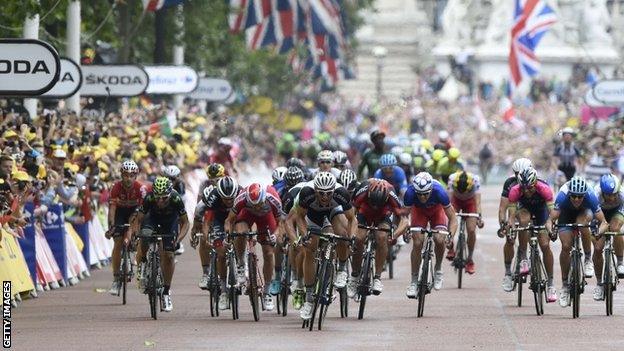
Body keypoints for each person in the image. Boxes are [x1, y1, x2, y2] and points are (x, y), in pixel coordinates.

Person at [284, 172, 356, 320]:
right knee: (310, 249)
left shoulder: (341, 193)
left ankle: (341, 269)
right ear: (315, 190)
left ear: (334, 191)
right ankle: (309, 298)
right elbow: (299, 217)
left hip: (333, 212)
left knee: (342, 235)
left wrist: (351, 238)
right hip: (312, 215)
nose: (325, 197)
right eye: (321, 193)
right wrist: (304, 236)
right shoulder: (306, 193)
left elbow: (352, 219)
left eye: (329, 193)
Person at [225, 183, 285, 312]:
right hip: (247, 214)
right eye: (254, 205)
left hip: (267, 217)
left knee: (269, 253)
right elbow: (229, 220)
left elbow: (281, 223)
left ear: (264, 198)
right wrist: (228, 235)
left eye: (259, 204)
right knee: (240, 233)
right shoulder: (241, 198)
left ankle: (267, 292)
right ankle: (241, 264)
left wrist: (275, 235)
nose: (257, 208)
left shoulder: (272, 198)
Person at [549, 176, 608, 307]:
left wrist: (599, 232)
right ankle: (565, 286)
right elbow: (550, 220)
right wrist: (550, 231)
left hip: (584, 213)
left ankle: (587, 259)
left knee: (582, 224)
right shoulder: (563, 195)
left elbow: (604, 222)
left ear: (584, 195)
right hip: (565, 214)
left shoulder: (591, 196)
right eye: (574, 196)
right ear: (569, 193)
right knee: (565, 246)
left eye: (580, 197)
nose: (576, 199)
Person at [132, 177, 189, 312]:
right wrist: (135, 233)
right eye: (158, 198)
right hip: (151, 219)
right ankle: (143, 263)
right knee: (144, 236)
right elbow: (138, 220)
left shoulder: (176, 199)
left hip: (170, 222)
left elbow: (185, 223)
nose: (160, 201)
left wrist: (179, 240)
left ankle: (166, 292)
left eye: (164, 198)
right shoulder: (149, 198)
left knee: (169, 255)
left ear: (169, 194)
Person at [401, 172, 458, 296]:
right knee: (417, 242)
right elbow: (404, 216)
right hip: (419, 212)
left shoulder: (440, 192)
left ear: (431, 189)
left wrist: (450, 235)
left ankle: (438, 269)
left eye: (426, 194)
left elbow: (453, 218)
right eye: (419, 194)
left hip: (437, 212)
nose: (422, 197)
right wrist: (405, 229)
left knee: (439, 239)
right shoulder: (410, 193)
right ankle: (414, 281)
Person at [349, 179, 408, 297]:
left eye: (378, 203)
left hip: (383, 213)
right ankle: (354, 276)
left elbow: (404, 221)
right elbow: (351, 215)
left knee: (382, 237)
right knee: (359, 239)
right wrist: (351, 235)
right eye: (373, 202)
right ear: (369, 194)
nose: (375, 206)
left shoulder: (392, 196)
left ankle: (377, 278)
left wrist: (395, 235)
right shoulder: (362, 191)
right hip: (364, 211)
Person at [505, 167, 557, 302]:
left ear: (535, 183)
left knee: (545, 245)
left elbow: (552, 213)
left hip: (542, 211)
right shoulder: (515, 190)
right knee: (523, 221)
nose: (527, 191)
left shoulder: (544, 189)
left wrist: (550, 227)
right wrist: (510, 224)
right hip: (524, 208)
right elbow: (511, 215)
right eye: (524, 188)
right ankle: (523, 258)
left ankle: (551, 284)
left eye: (530, 188)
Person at [106, 160, 148, 296]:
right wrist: (111, 225)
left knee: (134, 229)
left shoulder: (141, 189)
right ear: (121, 175)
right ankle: (116, 278)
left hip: (135, 212)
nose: (128, 178)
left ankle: (133, 249)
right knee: (117, 244)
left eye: (131, 175)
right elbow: (112, 209)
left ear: (135, 176)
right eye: (125, 175)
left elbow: (143, 211)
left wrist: (137, 228)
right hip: (119, 212)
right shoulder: (116, 187)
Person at [200, 176, 240, 310]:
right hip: (218, 220)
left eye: (231, 199)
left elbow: (248, 217)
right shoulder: (213, 197)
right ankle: (223, 291)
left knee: (241, 237)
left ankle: (242, 266)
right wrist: (206, 237)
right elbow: (207, 221)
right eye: (225, 199)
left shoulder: (241, 193)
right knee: (221, 254)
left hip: (237, 218)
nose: (229, 201)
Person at [498, 157, 532, 292]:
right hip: (515, 207)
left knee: (527, 223)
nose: (519, 176)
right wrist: (503, 224)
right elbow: (503, 208)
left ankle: (525, 255)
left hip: (529, 208)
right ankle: (507, 272)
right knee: (510, 239)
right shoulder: (510, 183)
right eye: (517, 174)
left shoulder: (534, 179)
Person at [592, 174, 624, 300]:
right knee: (598, 248)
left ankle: (620, 262)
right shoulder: (595, 195)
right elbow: (592, 217)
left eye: (614, 195)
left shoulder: (621, 194)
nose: (611, 198)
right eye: (608, 195)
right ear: (602, 192)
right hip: (600, 214)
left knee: (615, 229)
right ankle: (599, 283)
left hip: (617, 211)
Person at [446, 171, 484, 274]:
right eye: (460, 191)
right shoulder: (452, 179)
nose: (463, 193)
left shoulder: (475, 180)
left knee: (471, 230)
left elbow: (478, 203)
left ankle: (470, 259)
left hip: (470, 203)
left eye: (465, 191)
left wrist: (479, 217)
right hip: (455, 201)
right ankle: (450, 246)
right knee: (450, 219)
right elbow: (448, 203)